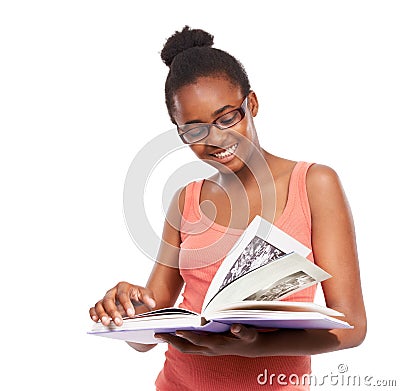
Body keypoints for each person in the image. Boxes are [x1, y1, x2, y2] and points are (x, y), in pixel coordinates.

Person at [89, 26, 367, 390]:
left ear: (251, 104)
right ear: (180, 133)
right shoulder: (185, 201)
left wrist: (256, 346)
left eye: (227, 118)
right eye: (195, 130)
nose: (216, 139)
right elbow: (146, 336)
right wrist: (127, 311)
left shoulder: (313, 184)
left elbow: (351, 327)